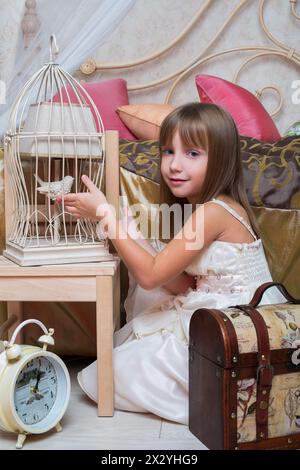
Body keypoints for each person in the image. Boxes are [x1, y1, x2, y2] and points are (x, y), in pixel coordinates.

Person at [58, 102, 286, 425]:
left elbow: (151, 276)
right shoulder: (208, 209)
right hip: (217, 309)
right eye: (168, 152)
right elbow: (180, 282)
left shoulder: (215, 212)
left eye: (192, 154)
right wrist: (133, 235)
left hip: (237, 327)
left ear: (220, 158)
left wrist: (105, 216)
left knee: (114, 373)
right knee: (127, 347)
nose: (174, 165)